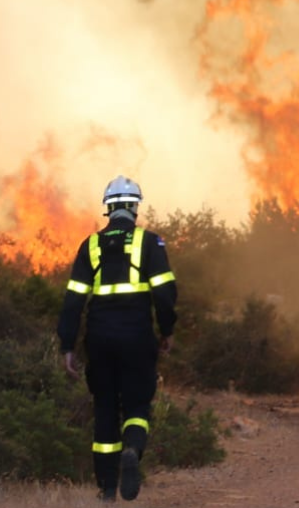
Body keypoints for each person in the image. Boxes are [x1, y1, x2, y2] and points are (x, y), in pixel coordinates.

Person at [57, 175, 178, 503]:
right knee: (137, 404)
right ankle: (132, 450)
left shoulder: (90, 246)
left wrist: (67, 346)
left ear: (108, 208)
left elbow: (73, 301)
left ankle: (107, 490)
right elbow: (165, 293)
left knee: (105, 409)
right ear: (135, 207)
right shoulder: (150, 243)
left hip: (99, 341)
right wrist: (167, 330)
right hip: (137, 337)